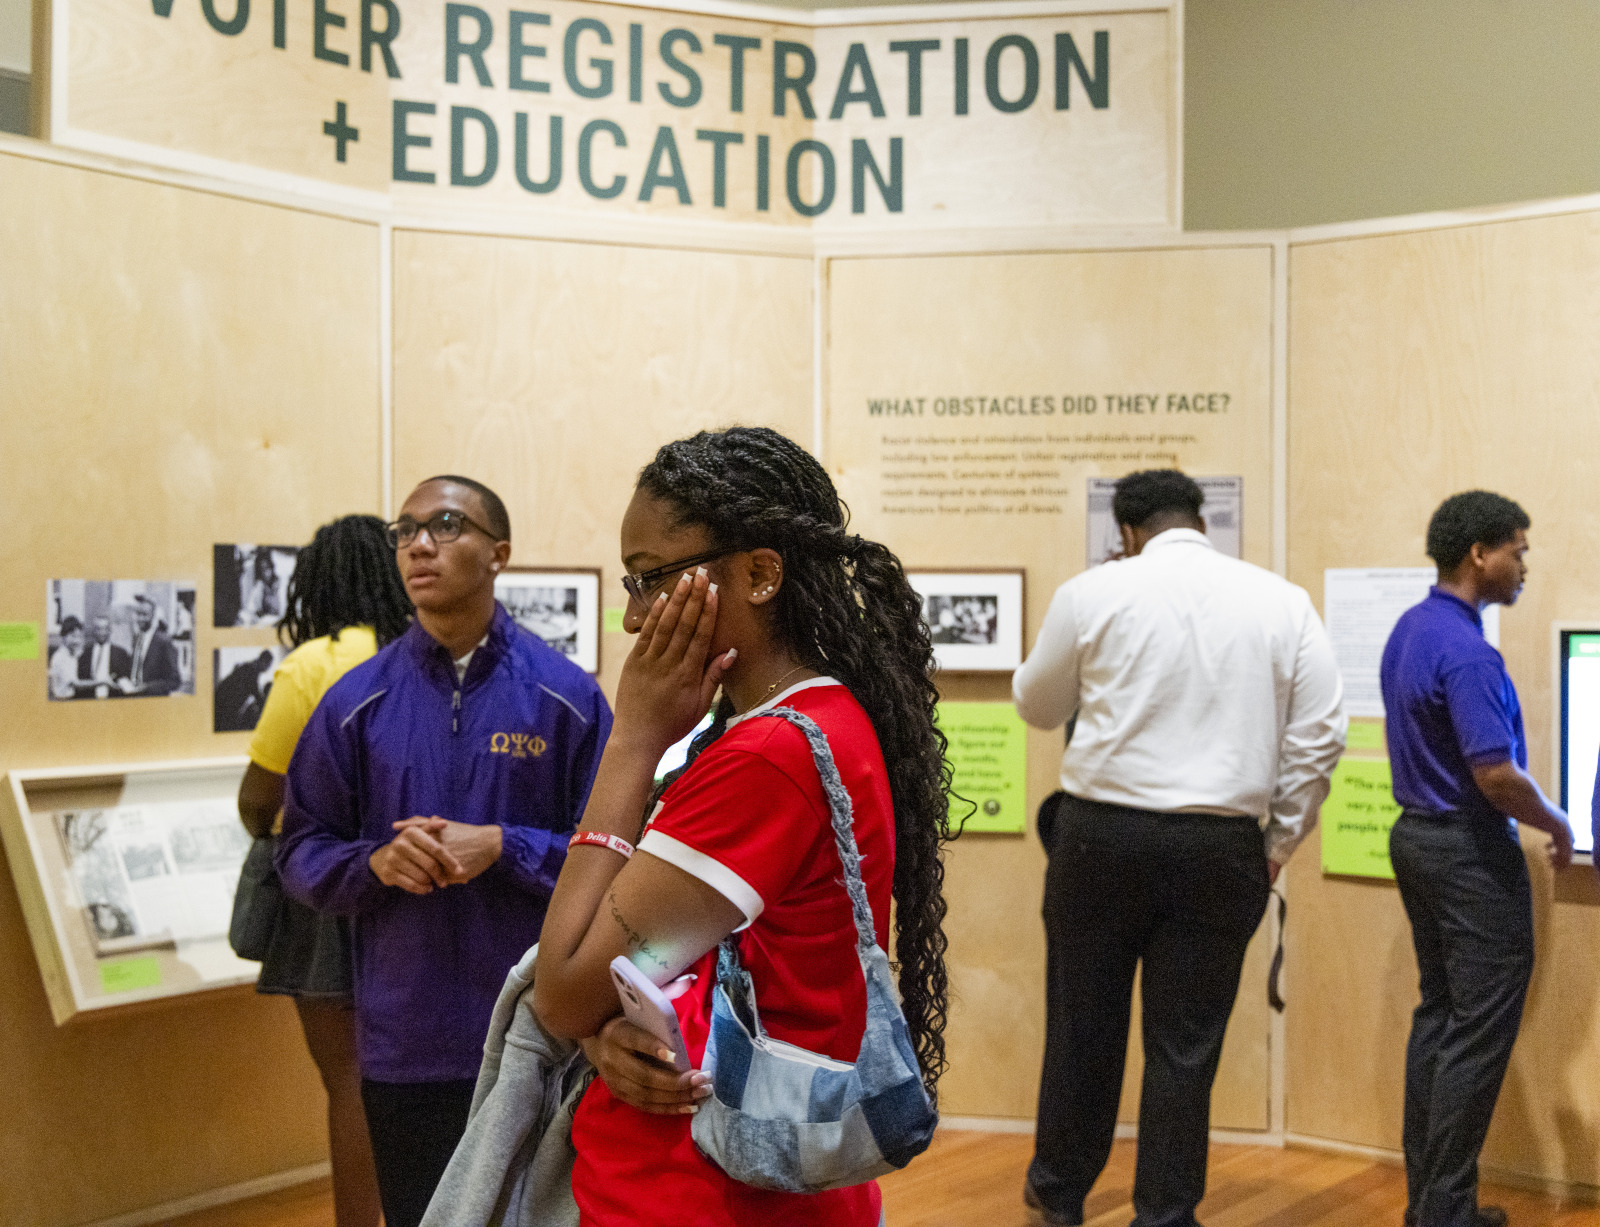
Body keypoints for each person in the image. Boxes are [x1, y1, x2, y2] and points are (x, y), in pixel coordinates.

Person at [532, 426, 953, 1227]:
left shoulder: (770, 754)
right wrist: (606, 1030)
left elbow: (560, 988)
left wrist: (632, 740)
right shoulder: (800, 719)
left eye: (651, 578)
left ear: (760, 572)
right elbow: (653, 967)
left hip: (705, 1192)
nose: (632, 617)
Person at [1012, 468, 1345, 1227]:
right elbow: (1322, 733)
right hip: (1221, 843)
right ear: (1200, 519)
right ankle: (1165, 1213)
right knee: (1185, 1045)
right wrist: (1277, 840)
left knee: (1082, 1028)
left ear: (1126, 531)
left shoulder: (1093, 593)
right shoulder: (1282, 600)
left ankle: (1059, 1194)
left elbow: (1037, 702)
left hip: (1100, 837)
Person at [278, 476, 611, 1227]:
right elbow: (298, 851)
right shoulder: (354, 701)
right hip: (406, 1042)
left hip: (540, 1034)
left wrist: (505, 845)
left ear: (500, 553)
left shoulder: (566, 698)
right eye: (406, 530)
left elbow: (615, 860)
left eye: (446, 525)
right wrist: (372, 864)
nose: (419, 544)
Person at [1381, 491, 1573, 1227]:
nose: (1523, 565)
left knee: (1441, 1015)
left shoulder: (1411, 629)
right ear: (1479, 556)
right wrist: (1555, 819)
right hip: (1465, 850)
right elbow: (1494, 772)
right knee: (1478, 1029)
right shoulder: (1466, 651)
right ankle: (1446, 1207)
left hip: (1417, 840)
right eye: (1518, 550)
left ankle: (1431, 1200)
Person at [232, 514, 413, 1227]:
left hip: (331, 883)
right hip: (421, 881)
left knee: (347, 1077)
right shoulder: (424, 655)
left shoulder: (313, 663)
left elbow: (259, 794)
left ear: (320, 583)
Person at [128, 593, 183, 695]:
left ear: (153, 615)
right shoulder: (137, 638)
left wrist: (147, 687)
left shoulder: (164, 642)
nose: (140, 619)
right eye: (138, 614)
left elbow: (175, 681)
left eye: (144, 615)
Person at [78, 614, 131, 694]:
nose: (101, 632)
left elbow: (125, 680)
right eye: (98, 629)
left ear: (110, 630)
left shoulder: (121, 654)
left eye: (105, 629)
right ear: (93, 630)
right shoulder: (85, 654)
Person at [49, 616, 85, 699]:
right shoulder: (60, 657)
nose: (77, 641)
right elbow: (75, 683)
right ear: (63, 636)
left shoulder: (75, 654)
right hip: (63, 701)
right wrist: (101, 682)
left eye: (79, 636)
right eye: (73, 636)